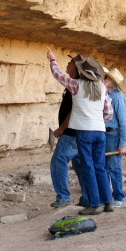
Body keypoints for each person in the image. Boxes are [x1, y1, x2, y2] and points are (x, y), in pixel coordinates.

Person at [46, 47, 114, 215]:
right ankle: (108, 202)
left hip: (84, 132)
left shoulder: (76, 85)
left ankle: (94, 204)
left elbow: (58, 75)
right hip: (100, 132)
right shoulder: (101, 87)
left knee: (88, 166)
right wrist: (98, 121)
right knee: (99, 167)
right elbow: (108, 112)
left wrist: (52, 59)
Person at [49, 55, 85, 208]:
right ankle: (88, 196)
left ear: (76, 68)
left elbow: (74, 112)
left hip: (70, 134)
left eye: (70, 62)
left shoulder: (75, 85)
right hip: (81, 133)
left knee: (58, 162)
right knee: (80, 166)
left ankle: (63, 197)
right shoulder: (83, 85)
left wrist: (61, 129)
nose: (68, 64)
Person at [103, 67, 126, 208]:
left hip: (113, 134)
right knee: (104, 166)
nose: (103, 80)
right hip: (104, 133)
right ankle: (107, 197)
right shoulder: (105, 93)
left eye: (106, 78)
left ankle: (118, 197)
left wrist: (122, 143)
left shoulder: (117, 97)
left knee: (114, 166)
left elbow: (123, 121)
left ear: (111, 83)